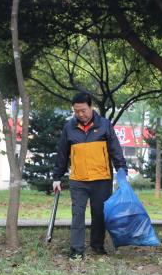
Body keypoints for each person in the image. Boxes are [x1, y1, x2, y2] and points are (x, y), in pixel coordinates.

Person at [52, 92, 127, 259]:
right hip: (78, 180)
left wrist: (122, 172)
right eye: (76, 111)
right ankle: (76, 250)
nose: (80, 114)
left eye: (83, 110)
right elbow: (62, 154)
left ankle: (97, 246)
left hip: (101, 178)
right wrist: (57, 177)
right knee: (77, 214)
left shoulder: (105, 125)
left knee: (99, 214)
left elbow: (115, 150)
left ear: (91, 107)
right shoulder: (69, 127)